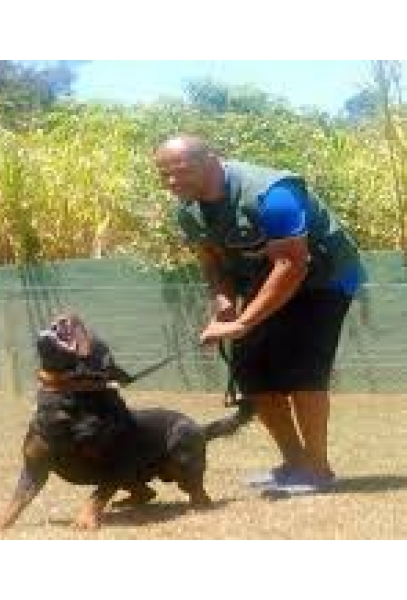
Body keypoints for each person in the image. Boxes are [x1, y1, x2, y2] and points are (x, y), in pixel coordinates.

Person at [154, 134, 365, 495]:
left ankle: (318, 469)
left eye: (181, 172)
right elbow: (213, 262)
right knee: (253, 374)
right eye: (164, 175)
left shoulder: (273, 194)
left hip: (323, 280)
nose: (173, 183)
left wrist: (245, 321)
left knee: (302, 372)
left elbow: (292, 265)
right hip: (266, 279)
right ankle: (294, 463)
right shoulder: (188, 211)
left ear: (211, 160)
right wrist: (223, 307)